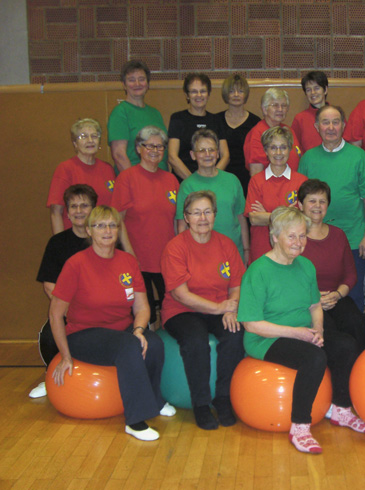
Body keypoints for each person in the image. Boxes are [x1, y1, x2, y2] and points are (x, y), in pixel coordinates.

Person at [238, 207, 365, 455]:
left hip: (303, 330)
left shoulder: (306, 266)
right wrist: (298, 333)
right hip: (265, 338)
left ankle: (341, 408)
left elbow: (314, 305)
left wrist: (318, 329)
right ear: (274, 237)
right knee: (314, 357)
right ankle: (299, 426)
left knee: (345, 345)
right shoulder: (257, 271)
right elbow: (251, 324)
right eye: (291, 236)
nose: (298, 243)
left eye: (302, 236)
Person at [49, 206, 176, 441]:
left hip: (123, 329)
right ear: (89, 230)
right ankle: (135, 421)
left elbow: (142, 306)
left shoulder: (128, 261)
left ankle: (155, 400)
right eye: (100, 225)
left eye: (112, 225)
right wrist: (65, 355)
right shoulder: (76, 264)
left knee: (154, 343)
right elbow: (55, 314)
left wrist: (139, 330)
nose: (107, 230)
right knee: (129, 347)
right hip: (84, 334)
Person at [161, 191, 246, 430]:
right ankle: (201, 404)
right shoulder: (175, 247)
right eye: (196, 212)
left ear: (215, 215)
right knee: (196, 341)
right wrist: (220, 307)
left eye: (208, 212)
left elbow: (237, 284)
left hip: (219, 308)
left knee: (235, 334)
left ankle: (223, 398)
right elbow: (181, 294)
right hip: (182, 310)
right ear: (186, 217)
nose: (202, 218)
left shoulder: (226, 244)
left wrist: (231, 308)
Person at [298, 105, 365, 312]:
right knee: (314, 302)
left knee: (352, 302)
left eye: (336, 122)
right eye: (325, 122)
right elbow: (301, 202)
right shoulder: (307, 159)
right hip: (313, 242)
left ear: (344, 125)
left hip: (353, 241)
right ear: (317, 127)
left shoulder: (359, 156)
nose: (331, 127)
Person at [31, 184, 97, 399]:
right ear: (67, 212)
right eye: (74, 206)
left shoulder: (106, 240)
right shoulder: (57, 243)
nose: (79, 211)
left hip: (101, 311)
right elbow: (49, 285)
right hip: (69, 310)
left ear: (94, 209)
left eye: (84, 205)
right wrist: (70, 310)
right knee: (50, 335)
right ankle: (50, 377)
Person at [111, 126, 179, 327]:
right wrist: (130, 254)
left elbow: (176, 221)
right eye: (150, 146)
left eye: (160, 146)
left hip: (166, 259)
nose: (155, 150)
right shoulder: (127, 178)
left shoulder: (171, 179)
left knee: (170, 310)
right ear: (139, 148)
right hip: (137, 260)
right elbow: (118, 219)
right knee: (145, 313)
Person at [298, 180, 365, 354]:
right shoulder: (294, 239)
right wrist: (314, 299)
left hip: (336, 298)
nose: (317, 206)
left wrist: (337, 295)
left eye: (322, 201)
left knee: (356, 323)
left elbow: (351, 275)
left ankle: (362, 374)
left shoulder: (338, 235)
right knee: (337, 340)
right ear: (300, 205)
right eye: (312, 201)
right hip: (306, 304)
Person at [175, 129, 249, 263]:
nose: (207, 154)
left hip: (233, 252)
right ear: (193, 155)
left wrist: (246, 250)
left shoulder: (232, 180)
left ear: (218, 153)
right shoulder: (187, 186)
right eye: (202, 150)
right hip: (201, 255)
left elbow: (241, 218)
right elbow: (182, 226)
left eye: (211, 150)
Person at [245, 126, 307, 263]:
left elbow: (301, 219)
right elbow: (254, 218)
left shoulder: (301, 181)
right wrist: (287, 214)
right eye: (273, 148)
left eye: (283, 147)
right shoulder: (256, 181)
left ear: (290, 149)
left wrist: (267, 215)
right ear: (266, 151)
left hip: (292, 253)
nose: (278, 152)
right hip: (261, 252)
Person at [46, 118, 115, 234]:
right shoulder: (65, 169)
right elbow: (56, 212)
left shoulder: (108, 169)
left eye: (94, 136)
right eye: (83, 136)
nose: (90, 140)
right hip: (75, 239)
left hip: (104, 238)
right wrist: (60, 245)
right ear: (75, 144)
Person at [108, 60, 168, 174]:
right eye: (131, 80)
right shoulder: (120, 112)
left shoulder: (155, 113)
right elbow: (119, 155)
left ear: (148, 83)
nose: (137, 84)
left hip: (160, 178)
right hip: (135, 180)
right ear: (124, 85)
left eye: (141, 79)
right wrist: (136, 182)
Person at [167, 73, 229, 181]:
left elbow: (225, 156)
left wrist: (211, 179)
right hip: (184, 181)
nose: (199, 95)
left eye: (203, 91)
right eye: (194, 91)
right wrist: (194, 182)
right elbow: (172, 157)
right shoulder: (178, 119)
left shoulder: (216, 120)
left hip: (212, 182)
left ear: (208, 94)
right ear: (187, 95)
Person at [215, 74, 261, 195]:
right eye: (232, 91)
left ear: (246, 94)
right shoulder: (215, 120)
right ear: (226, 94)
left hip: (247, 177)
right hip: (221, 175)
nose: (236, 95)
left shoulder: (255, 122)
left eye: (240, 91)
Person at [243, 88, 302, 176]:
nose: (280, 109)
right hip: (272, 187)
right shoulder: (257, 134)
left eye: (284, 105)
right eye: (275, 105)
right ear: (264, 109)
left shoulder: (289, 131)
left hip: (293, 186)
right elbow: (256, 175)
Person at [291, 71, 330, 152]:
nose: (313, 93)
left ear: (325, 90)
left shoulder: (336, 115)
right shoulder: (300, 119)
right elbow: (295, 149)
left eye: (317, 88)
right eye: (308, 90)